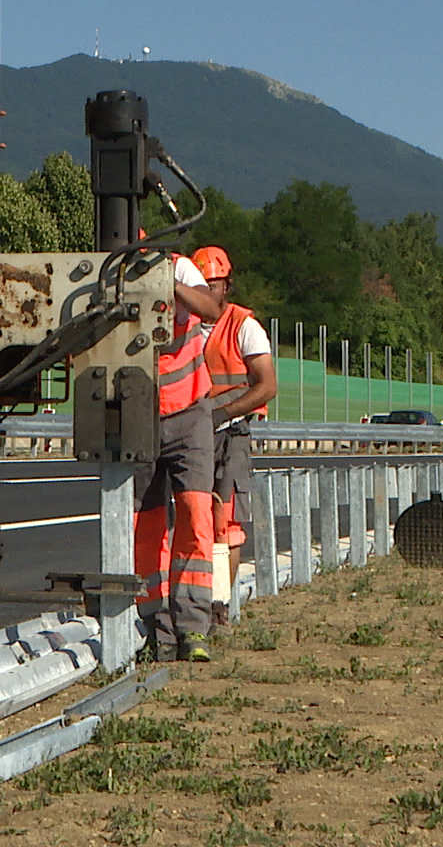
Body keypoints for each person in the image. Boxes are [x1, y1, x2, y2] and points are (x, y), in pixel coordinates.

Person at [134, 246, 224, 664]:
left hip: (188, 414)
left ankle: (193, 628)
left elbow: (210, 307)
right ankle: (155, 629)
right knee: (146, 524)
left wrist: (167, 284)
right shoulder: (103, 277)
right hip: (139, 416)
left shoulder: (177, 266)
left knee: (194, 514)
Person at [191, 246, 277, 627]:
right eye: (201, 285)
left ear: (227, 285)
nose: (209, 292)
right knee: (192, 519)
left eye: (215, 284)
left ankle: (219, 608)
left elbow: (266, 386)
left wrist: (222, 414)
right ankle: (190, 601)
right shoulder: (183, 324)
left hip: (230, 433)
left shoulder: (243, 326)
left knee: (226, 523)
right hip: (187, 433)